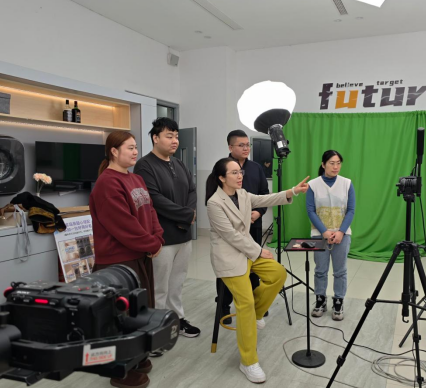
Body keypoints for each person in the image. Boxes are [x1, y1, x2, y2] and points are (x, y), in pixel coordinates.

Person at [206, 157, 310, 384]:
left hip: (247, 253)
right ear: (222, 178)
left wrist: (293, 191)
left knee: (278, 274)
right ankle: (248, 361)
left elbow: (265, 199)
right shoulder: (214, 203)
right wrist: (259, 250)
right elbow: (230, 236)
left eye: (240, 171)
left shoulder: (242, 194)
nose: (240, 176)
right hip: (230, 258)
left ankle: (256, 313)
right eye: (234, 173)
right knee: (244, 305)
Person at [90, 131, 164, 389]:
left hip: (140, 255)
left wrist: (157, 237)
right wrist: (151, 243)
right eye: (130, 148)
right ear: (114, 151)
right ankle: (122, 371)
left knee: (141, 312)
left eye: (135, 147)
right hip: (118, 263)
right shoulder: (107, 184)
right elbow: (123, 224)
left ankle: (138, 357)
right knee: (120, 319)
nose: (135, 152)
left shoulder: (136, 178)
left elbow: (150, 211)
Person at [135, 118, 200, 339]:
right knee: (159, 286)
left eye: (176, 136)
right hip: (162, 237)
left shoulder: (178, 163)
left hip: (184, 235)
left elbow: (192, 190)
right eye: (169, 136)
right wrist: (186, 215)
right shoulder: (145, 165)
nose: (175, 141)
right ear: (155, 138)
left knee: (177, 282)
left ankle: (177, 319)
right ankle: (156, 327)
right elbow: (154, 198)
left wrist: (188, 214)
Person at [218, 130, 270, 325]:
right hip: (230, 230)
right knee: (229, 267)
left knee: (253, 264)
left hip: (253, 225)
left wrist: (259, 212)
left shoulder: (256, 168)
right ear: (230, 147)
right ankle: (223, 305)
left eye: (248, 145)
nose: (246, 148)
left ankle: (256, 304)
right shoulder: (222, 167)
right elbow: (216, 197)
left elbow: (264, 194)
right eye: (241, 145)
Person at [306, 150, 356, 321]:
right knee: (320, 270)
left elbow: (351, 210)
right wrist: (324, 232)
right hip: (319, 234)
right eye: (332, 163)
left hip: (342, 234)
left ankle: (338, 301)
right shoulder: (313, 185)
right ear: (323, 164)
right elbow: (311, 211)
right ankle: (320, 300)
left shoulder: (347, 184)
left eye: (338, 163)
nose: (336, 167)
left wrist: (341, 231)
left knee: (340, 271)